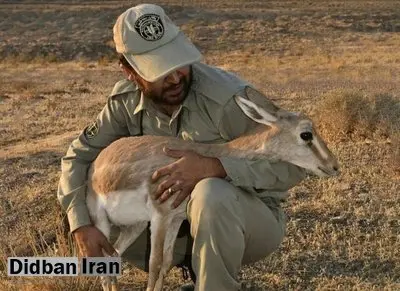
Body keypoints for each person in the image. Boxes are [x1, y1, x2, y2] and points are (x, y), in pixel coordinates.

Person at [57, 3, 305, 291]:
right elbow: (77, 157)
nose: (175, 78)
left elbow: (294, 162)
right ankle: (190, 268)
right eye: (159, 70)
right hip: (169, 225)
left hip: (248, 221)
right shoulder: (123, 103)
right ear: (128, 71)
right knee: (91, 198)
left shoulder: (227, 99)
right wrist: (81, 225)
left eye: (178, 63)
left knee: (210, 192)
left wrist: (217, 167)